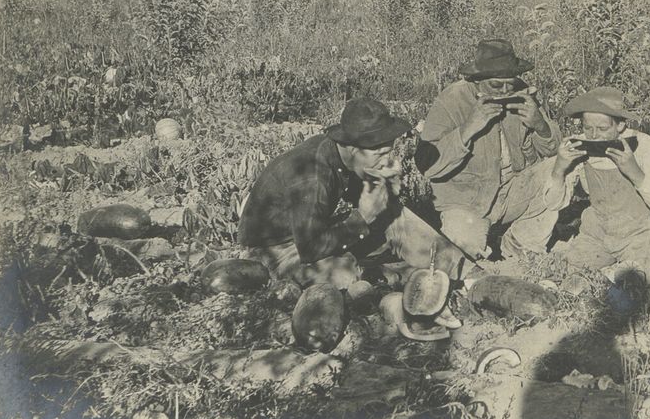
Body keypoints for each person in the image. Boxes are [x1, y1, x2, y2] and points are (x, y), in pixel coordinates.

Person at [238, 97, 464, 300]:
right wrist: (363, 218)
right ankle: (399, 276)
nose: (388, 160)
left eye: (389, 151)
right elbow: (310, 248)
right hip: (274, 253)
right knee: (346, 273)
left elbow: (363, 199)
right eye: (381, 154)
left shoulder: (341, 155)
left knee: (394, 215)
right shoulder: (314, 176)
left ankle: (464, 271)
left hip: (309, 236)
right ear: (354, 149)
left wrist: (386, 189)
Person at [416, 39, 562, 263]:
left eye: (510, 84)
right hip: (466, 201)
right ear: (477, 79)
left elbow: (553, 152)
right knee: (465, 256)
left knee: (565, 166)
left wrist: (540, 124)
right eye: (496, 86)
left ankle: (520, 245)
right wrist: (468, 129)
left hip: (512, 191)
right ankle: (480, 244)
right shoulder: (452, 100)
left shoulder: (520, 93)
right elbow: (427, 165)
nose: (505, 91)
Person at [548, 86, 650, 286]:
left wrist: (634, 171)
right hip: (597, 232)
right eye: (587, 128)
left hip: (637, 234)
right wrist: (559, 169)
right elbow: (553, 203)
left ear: (620, 125)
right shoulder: (579, 146)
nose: (593, 136)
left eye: (602, 129)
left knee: (645, 287)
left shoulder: (643, 145)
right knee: (571, 279)